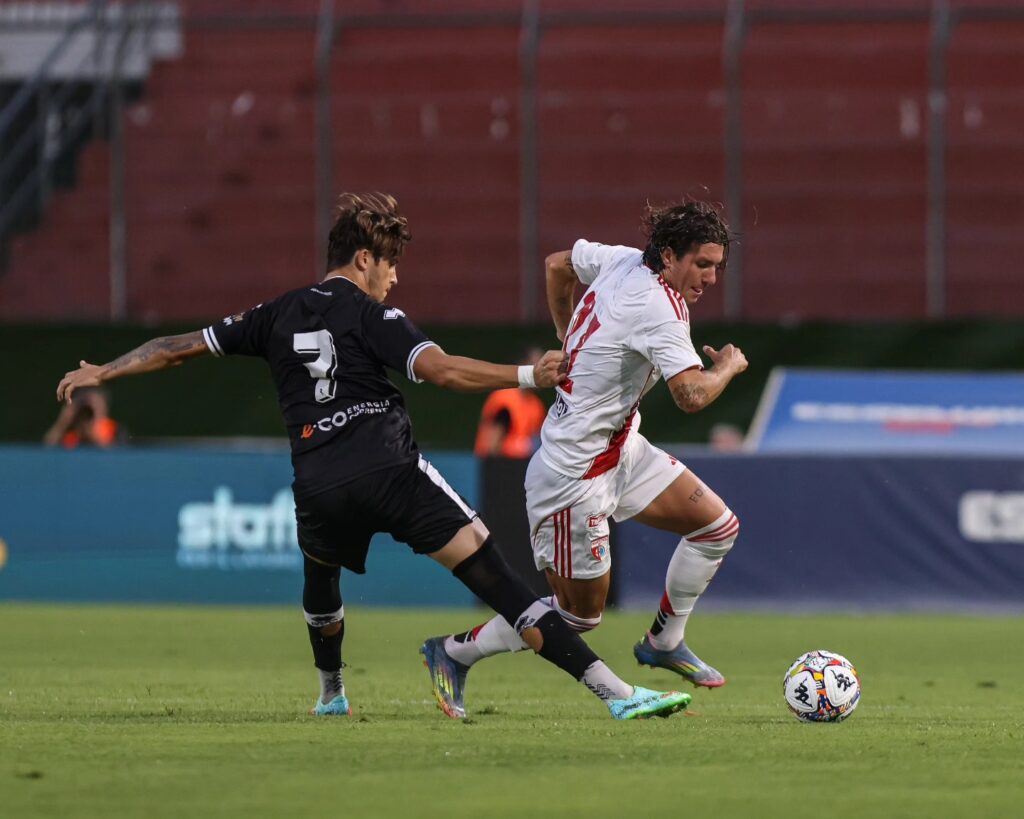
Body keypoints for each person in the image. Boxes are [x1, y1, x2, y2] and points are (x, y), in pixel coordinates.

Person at [55, 192, 690, 722]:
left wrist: (104, 370)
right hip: (390, 470)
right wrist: (526, 375)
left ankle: (331, 694)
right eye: (390, 264)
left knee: (320, 585)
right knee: (500, 581)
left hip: (319, 481)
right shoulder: (371, 314)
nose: (394, 278)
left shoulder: (274, 313)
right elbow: (441, 370)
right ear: (364, 258)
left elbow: (177, 347)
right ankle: (616, 694)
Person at [421, 199, 747, 718]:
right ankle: (455, 651)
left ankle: (664, 642)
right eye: (702, 264)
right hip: (574, 476)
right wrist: (728, 367)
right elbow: (690, 395)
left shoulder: (620, 259)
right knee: (578, 618)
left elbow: (557, 264)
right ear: (668, 256)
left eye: (717, 267)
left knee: (716, 528)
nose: (710, 278)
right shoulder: (660, 309)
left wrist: (564, 331)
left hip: (620, 448)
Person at [473, 347, 547, 458]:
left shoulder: (536, 405)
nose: (543, 373)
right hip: (498, 463)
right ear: (524, 365)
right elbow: (492, 447)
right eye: (537, 366)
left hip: (523, 464)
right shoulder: (505, 399)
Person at [43, 386, 121, 448]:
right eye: (82, 416)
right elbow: (49, 443)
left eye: (89, 416)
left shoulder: (112, 432)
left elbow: (111, 450)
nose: (85, 423)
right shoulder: (71, 439)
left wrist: (97, 429)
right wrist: (62, 424)